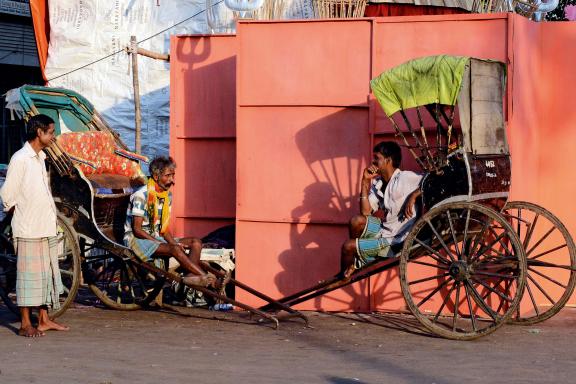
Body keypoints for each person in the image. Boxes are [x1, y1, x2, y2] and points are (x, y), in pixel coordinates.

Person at [0, 114, 70, 337]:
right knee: (28, 277)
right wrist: (23, 216)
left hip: (44, 226)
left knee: (44, 276)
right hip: (29, 228)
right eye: (51, 132)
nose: (53, 136)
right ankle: (24, 324)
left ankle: (43, 319)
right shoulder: (20, 159)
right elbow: (7, 196)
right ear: (39, 132)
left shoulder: (40, 158)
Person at [123, 156, 215, 287]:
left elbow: (163, 228)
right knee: (174, 249)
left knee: (196, 242)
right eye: (168, 176)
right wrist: (167, 244)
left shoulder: (166, 196)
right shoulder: (141, 195)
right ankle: (209, 281)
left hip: (155, 236)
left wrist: (173, 243)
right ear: (156, 176)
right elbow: (137, 230)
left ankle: (191, 277)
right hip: (136, 240)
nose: (172, 180)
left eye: (173, 175)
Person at [339, 141, 422, 279]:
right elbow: (365, 213)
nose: (373, 161)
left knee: (348, 246)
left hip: (397, 238)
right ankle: (361, 257)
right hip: (385, 229)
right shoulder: (379, 183)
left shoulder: (405, 178)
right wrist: (365, 182)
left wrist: (414, 195)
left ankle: (347, 273)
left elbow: (430, 180)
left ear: (388, 160)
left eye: (377, 158)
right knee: (356, 221)